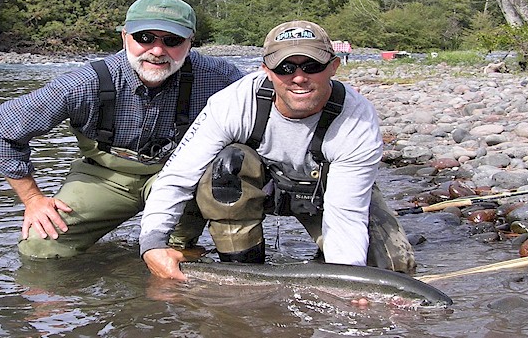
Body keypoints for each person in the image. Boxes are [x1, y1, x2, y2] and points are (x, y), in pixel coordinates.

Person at [139, 20, 415, 280]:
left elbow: (347, 213)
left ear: (334, 66)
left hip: (325, 191)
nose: (298, 78)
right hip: (250, 187)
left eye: (311, 66)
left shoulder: (357, 119)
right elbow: (177, 176)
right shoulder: (233, 103)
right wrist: (152, 245)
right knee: (226, 162)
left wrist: (346, 280)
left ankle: (326, 261)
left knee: (390, 270)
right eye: (284, 68)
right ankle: (243, 272)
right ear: (265, 71)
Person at [0, 0, 245, 259]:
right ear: (124, 37)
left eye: (172, 41)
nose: (157, 51)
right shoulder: (83, 84)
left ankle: (180, 247)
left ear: (190, 43)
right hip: (104, 178)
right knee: (40, 245)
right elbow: (0, 129)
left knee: (225, 165)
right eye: (145, 38)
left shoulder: (222, 78)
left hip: (184, 177)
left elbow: (271, 102)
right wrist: (33, 200)